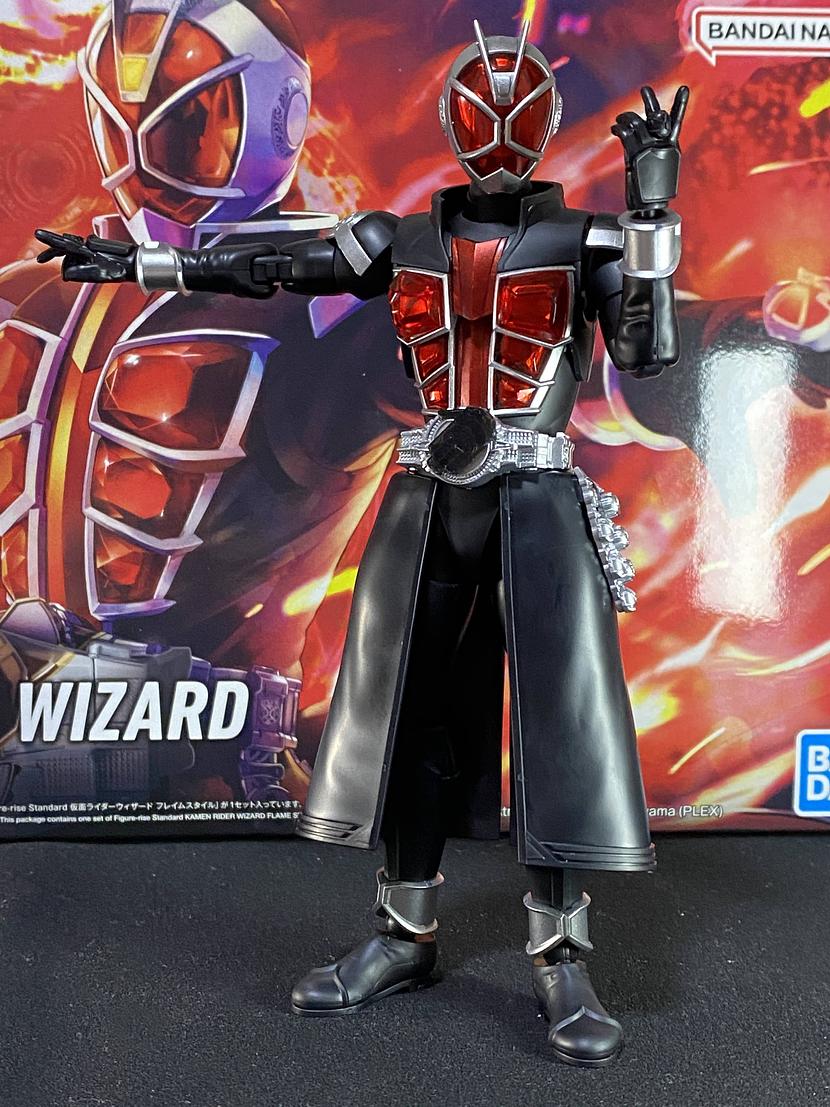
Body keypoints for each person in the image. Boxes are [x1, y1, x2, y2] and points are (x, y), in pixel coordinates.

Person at [36, 20, 688, 1066]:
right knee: (408, 717)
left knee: (554, 729)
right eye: (479, 107)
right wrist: (143, 258)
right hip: (428, 494)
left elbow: (647, 356)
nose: (496, 125)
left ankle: (560, 953)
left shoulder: (589, 242)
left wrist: (651, 218)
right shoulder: (397, 240)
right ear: (455, 120)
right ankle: (403, 930)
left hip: (535, 492)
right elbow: (272, 265)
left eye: (513, 107)